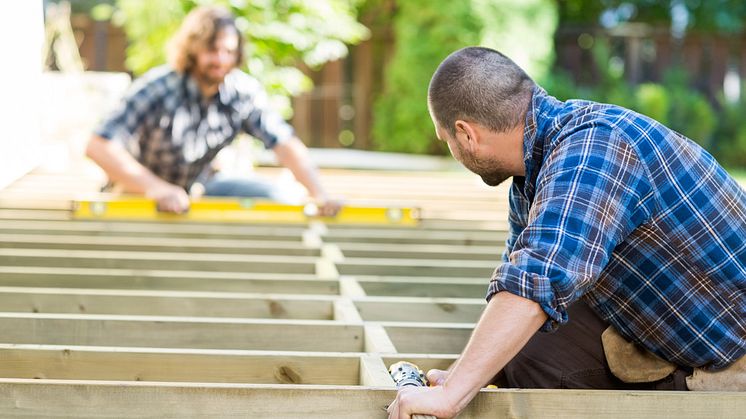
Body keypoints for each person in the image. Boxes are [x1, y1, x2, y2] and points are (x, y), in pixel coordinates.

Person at [387, 46, 745, 419]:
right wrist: (461, 377)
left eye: (447, 142)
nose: (454, 153)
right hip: (683, 327)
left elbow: (536, 280)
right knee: (523, 347)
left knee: (531, 337)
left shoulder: (594, 149)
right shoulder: (535, 176)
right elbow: (514, 288)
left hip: (729, 360)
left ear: (466, 134)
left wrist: (450, 398)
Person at [86, 6, 339, 214]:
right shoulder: (158, 88)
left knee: (277, 197)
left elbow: (284, 142)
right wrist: (156, 188)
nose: (220, 59)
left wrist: (320, 194)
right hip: (136, 192)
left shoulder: (242, 93)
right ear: (192, 49)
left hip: (194, 191)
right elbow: (98, 146)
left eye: (228, 51)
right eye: (212, 50)